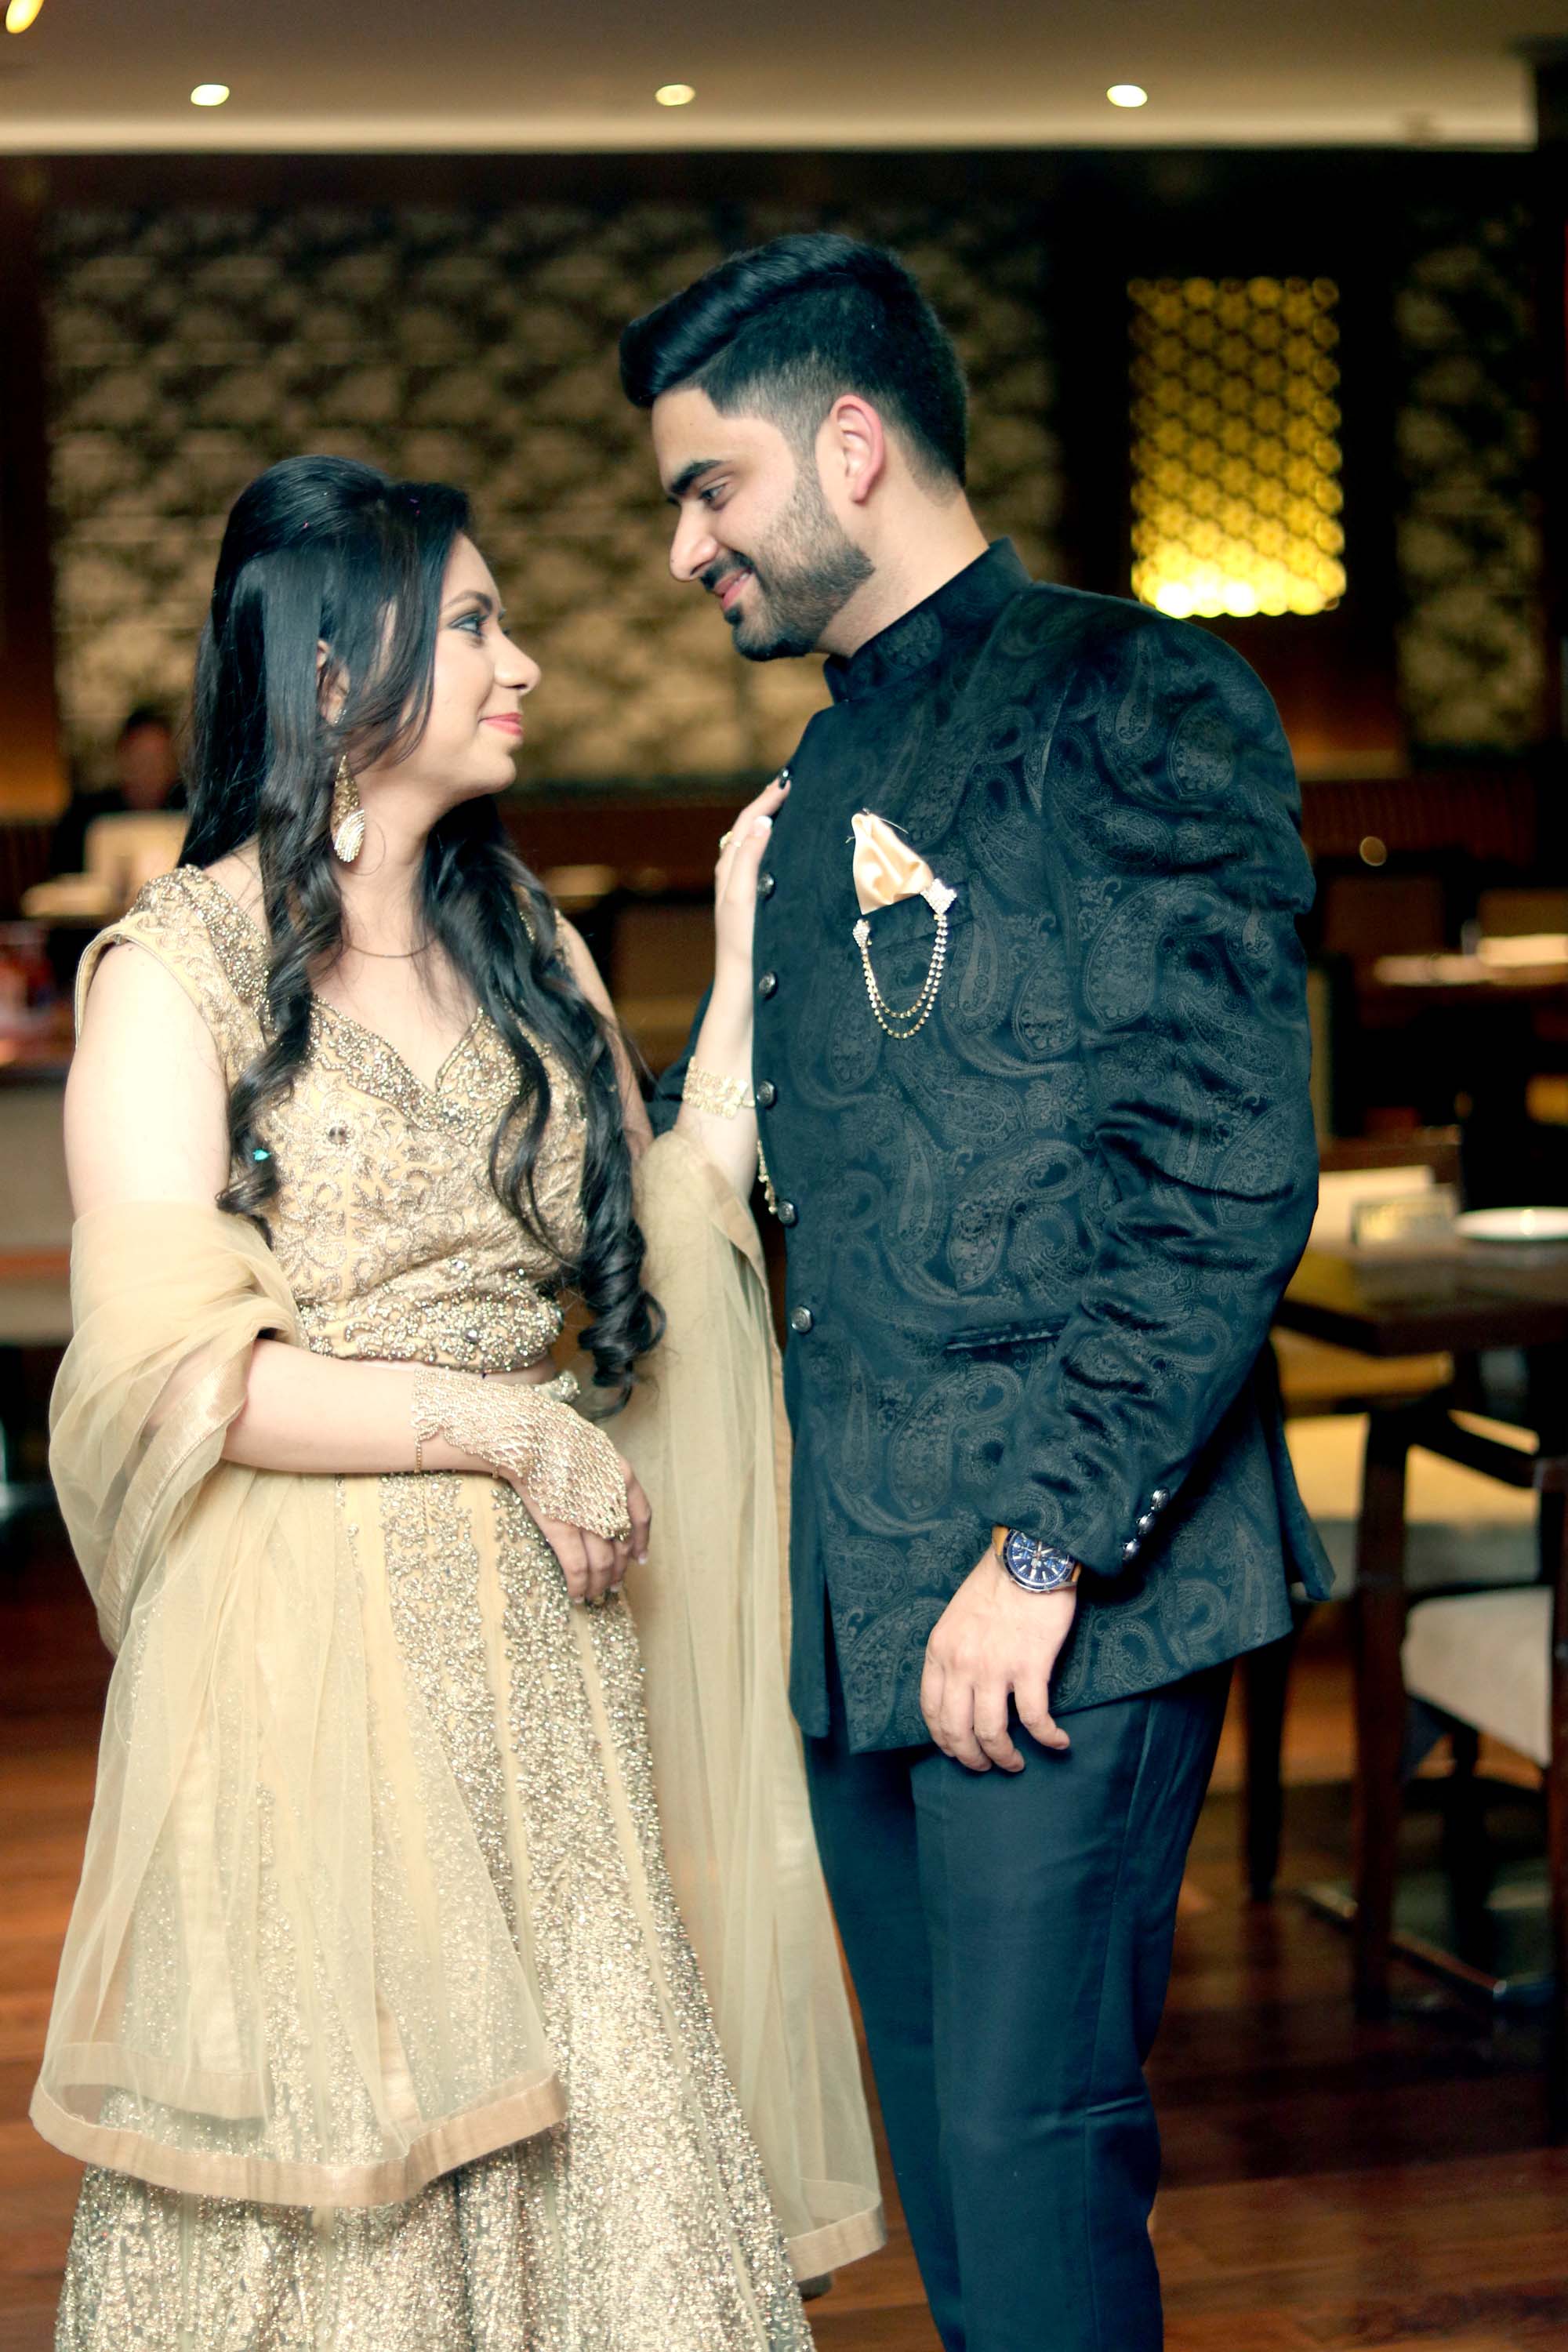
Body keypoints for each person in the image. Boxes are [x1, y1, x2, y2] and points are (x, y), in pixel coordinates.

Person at [34, 455, 881, 2349]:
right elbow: (173, 1373)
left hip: (546, 1659)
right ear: (336, 672)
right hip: (308, 1653)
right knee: (358, 2159)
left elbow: (658, 1236)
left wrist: (743, 954)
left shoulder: (523, 941)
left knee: (604, 2119)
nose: (526, 665)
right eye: (480, 624)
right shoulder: (173, 978)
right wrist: (499, 1425)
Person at [622, 235, 1333, 2352]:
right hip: (860, 1611)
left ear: (849, 443)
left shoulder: (1139, 695)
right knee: (952, 2187)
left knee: (1030, 2173)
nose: (683, 549)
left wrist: (1042, 1552)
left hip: (1066, 1591)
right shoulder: (810, 786)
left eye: (709, 488)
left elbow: (1222, 1168)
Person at [49, 704, 186, 875]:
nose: (149, 770)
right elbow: (64, 876)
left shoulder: (191, 809)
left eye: (158, 760)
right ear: (122, 758)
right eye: (141, 759)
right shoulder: (86, 815)